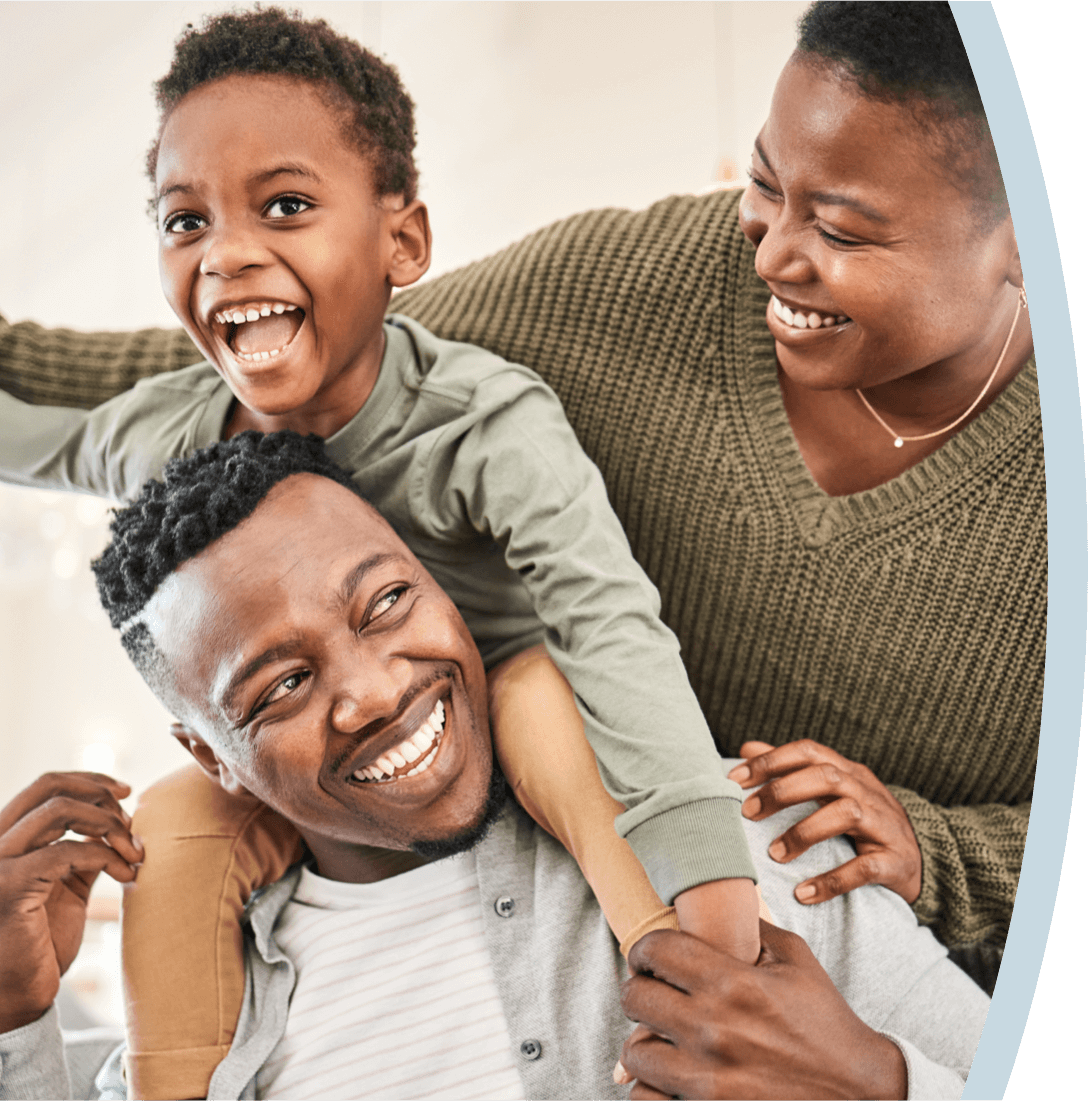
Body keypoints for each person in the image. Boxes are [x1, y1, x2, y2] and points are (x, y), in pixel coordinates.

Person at [1, 0, 1037, 979]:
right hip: (473, 874)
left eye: (843, 231)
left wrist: (933, 856)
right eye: (765, 186)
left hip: (872, 959)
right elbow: (281, 343)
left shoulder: (486, 428)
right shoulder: (624, 287)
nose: (768, 252)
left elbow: (606, 622)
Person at [0, 8, 765, 1098]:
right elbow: (42, 437)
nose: (226, 253)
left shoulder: (481, 423)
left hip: (497, 719)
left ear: (400, 242)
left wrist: (714, 892)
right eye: (185, 222)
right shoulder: (172, 436)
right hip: (331, 779)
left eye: (285, 206)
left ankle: (698, 996)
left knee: (543, 693)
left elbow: (609, 622)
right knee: (172, 819)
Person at [0, 431, 989, 1101]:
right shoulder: (202, 1009)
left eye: (384, 603)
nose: (373, 693)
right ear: (207, 757)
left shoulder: (728, 848)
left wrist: (876, 1083)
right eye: (278, 687)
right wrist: (13, 1013)